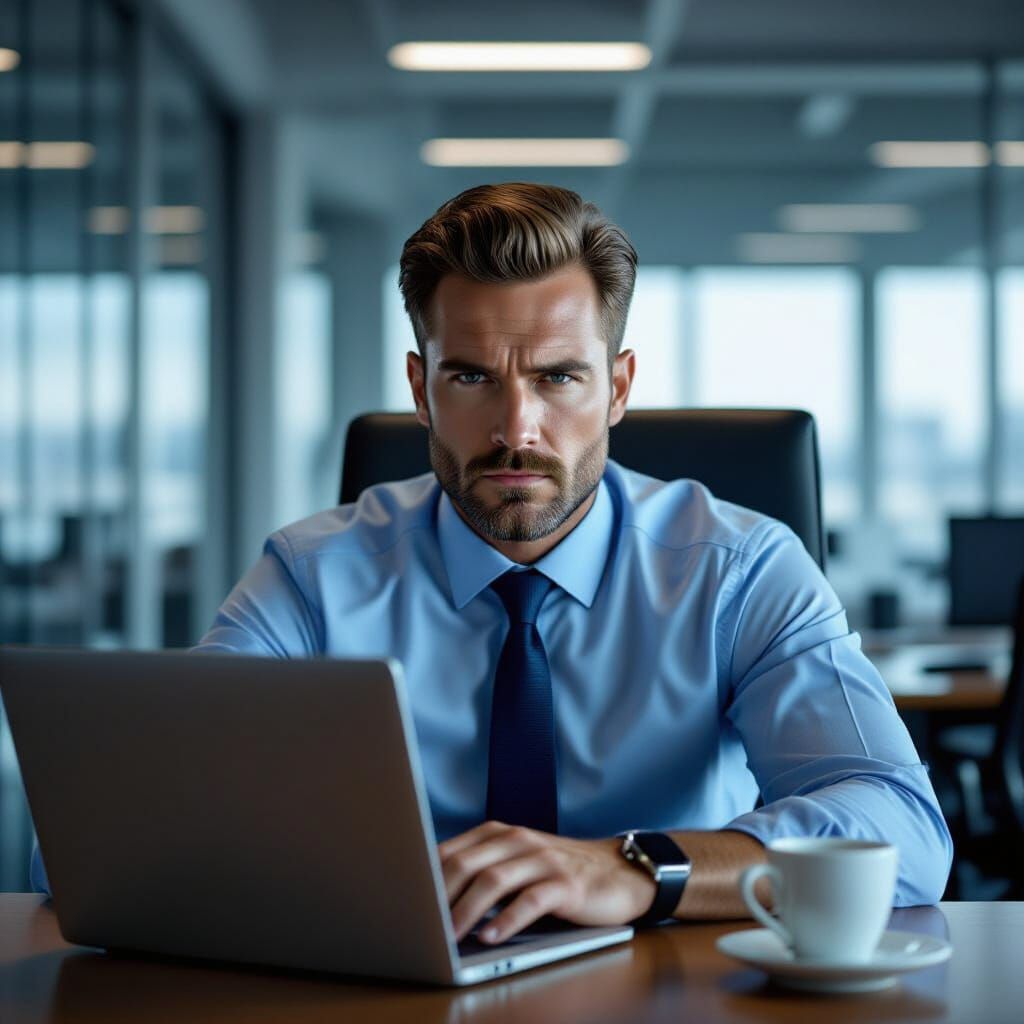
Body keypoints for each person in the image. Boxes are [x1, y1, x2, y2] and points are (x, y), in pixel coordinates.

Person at [32, 182, 952, 941]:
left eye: (558, 376)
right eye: (472, 375)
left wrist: (635, 869)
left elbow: (902, 829)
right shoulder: (313, 576)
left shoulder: (740, 570)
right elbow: (102, 844)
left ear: (617, 388)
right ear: (420, 389)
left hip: (676, 987)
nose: (518, 429)